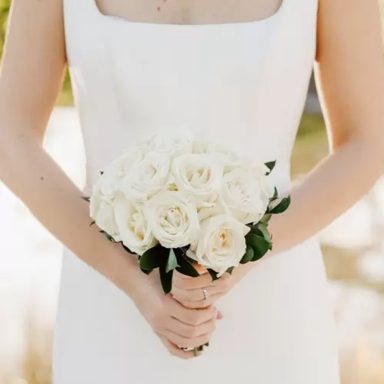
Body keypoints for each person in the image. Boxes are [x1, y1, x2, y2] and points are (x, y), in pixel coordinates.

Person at [1, 0, 383, 382]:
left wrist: (239, 256)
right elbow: (11, 137)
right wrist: (135, 282)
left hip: (271, 305)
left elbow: (366, 144)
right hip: (109, 302)